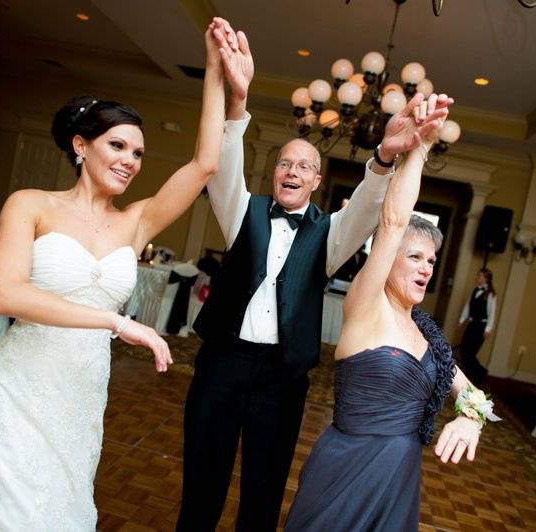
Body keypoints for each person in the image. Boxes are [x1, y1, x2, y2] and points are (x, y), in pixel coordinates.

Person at [0, 19, 231, 531]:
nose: (130, 161)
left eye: (138, 153)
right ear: (82, 146)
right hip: (19, 384)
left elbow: (205, 164)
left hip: (82, 390)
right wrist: (117, 323)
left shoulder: (136, 222)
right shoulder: (30, 204)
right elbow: (5, 294)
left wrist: (215, 72)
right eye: (118, 146)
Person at [176, 20, 453, 531]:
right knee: (202, 481)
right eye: (285, 163)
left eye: (304, 166)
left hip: (282, 377)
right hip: (222, 364)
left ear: (317, 181)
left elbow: (373, 209)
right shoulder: (243, 212)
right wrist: (238, 106)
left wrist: (386, 155)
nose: (292, 171)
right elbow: (224, 165)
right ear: (275, 172)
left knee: (263, 488)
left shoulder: (329, 234)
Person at [286, 93, 495, 530]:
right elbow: (394, 221)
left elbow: (472, 395)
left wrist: (471, 420)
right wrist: (419, 146)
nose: (425, 269)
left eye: (431, 262)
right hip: (346, 472)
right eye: (414, 257)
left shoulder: (427, 334)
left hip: (398, 479)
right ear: (386, 258)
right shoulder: (366, 304)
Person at [457, 267, 497, 383]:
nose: (477, 277)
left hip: (481, 327)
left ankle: (480, 372)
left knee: (470, 353)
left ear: (486, 279)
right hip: (472, 324)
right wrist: (462, 320)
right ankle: (467, 376)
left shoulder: (490, 294)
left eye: (479, 276)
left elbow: (492, 313)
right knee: (464, 350)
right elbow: (468, 306)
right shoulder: (475, 290)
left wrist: (488, 329)